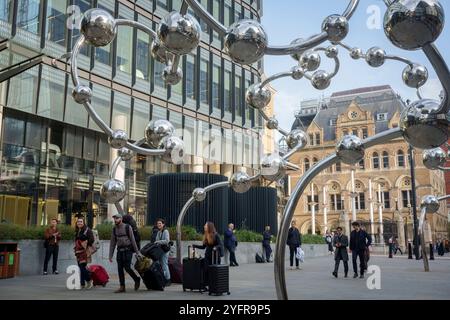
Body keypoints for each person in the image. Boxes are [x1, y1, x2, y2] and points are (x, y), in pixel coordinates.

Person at [109, 213, 141, 293]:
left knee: (127, 267)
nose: (115, 220)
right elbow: (112, 243)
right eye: (114, 219)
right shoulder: (114, 229)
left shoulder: (127, 227)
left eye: (117, 218)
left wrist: (137, 252)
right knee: (120, 269)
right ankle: (122, 287)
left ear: (121, 219)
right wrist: (110, 255)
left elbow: (133, 240)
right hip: (119, 251)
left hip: (128, 250)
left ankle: (136, 279)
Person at [193, 222, 224, 288]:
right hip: (207, 256)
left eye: (205, 225)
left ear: (209, 227)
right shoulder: (206, 235)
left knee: (214, 271)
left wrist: (215, 247)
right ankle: (205, 285)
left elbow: (220, 245)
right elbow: (203, 247)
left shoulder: (216, 235)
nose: (204, 226)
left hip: (215, 256)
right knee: (206, 270)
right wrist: (194, 246)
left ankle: (214, 285)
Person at [74, 218, 94, 289]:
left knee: (82, 267)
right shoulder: (77, 230)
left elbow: (92, 239)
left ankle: (89, 280)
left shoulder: (87, 230)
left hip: (84, 251)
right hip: (78, 251)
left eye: (81, 222)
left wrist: (85, 244)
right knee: (81, 267)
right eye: (78, 222)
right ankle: (82, 284)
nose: (79, 223)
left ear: (84, 222)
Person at [154, 218, 171, 286]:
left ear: (163, 224)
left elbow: (167, 241)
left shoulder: (165, 231)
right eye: (158, 223)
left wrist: (158, 242)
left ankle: (168, 279)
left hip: (165, 250)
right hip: (160, 251)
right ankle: (163, 279)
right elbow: (156, 240)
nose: (158, 225)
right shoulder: (159, 232)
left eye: (160, 223)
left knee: (164, 264)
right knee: (161, 265)